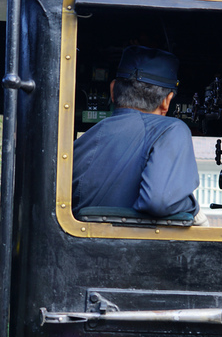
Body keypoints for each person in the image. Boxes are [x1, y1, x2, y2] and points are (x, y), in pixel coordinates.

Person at [72, 45, 209, 226]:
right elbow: (159, 201)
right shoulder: (171, 129)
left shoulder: (78, 145)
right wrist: (194, 208)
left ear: (113, 90)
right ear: (166, 101)